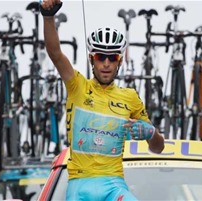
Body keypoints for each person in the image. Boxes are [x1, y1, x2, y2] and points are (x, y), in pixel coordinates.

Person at [40, 0, 165, 200]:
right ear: (92, 59)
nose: (106, 64)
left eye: (112, 58)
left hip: (113, 184)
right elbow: (55, 53)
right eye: (100, 57)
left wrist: (151, 133)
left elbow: (158, 148)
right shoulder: (77, 86)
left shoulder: (130, 97)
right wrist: (48, 17)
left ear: (120, 61)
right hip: (80, 185)